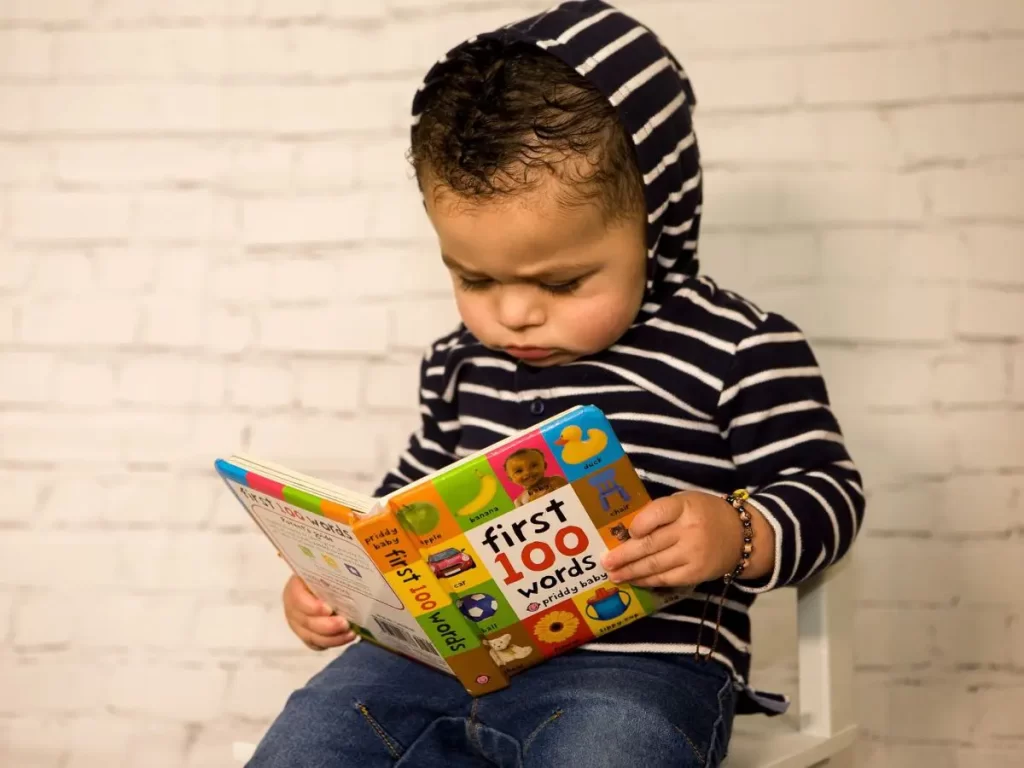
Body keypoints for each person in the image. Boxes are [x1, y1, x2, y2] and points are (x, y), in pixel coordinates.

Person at [253, 2, 865, 766]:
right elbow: (399, 513)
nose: (512, 313)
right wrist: (343, 583)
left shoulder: (737, 347)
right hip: (435, 664)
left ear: (657, 221)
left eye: (565, 281)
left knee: (611, 751)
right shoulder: (458, 364)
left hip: (640, 668)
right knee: (311, 736)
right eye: (473, 276)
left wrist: (739, 533)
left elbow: (830, 492)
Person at [503, 447, 569, 506]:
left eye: (534, 466)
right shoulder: (519, 501)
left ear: (544, 466)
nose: (527, 472)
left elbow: (570, 496)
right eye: (519, 471)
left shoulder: (556, 480)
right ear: (511, 479)